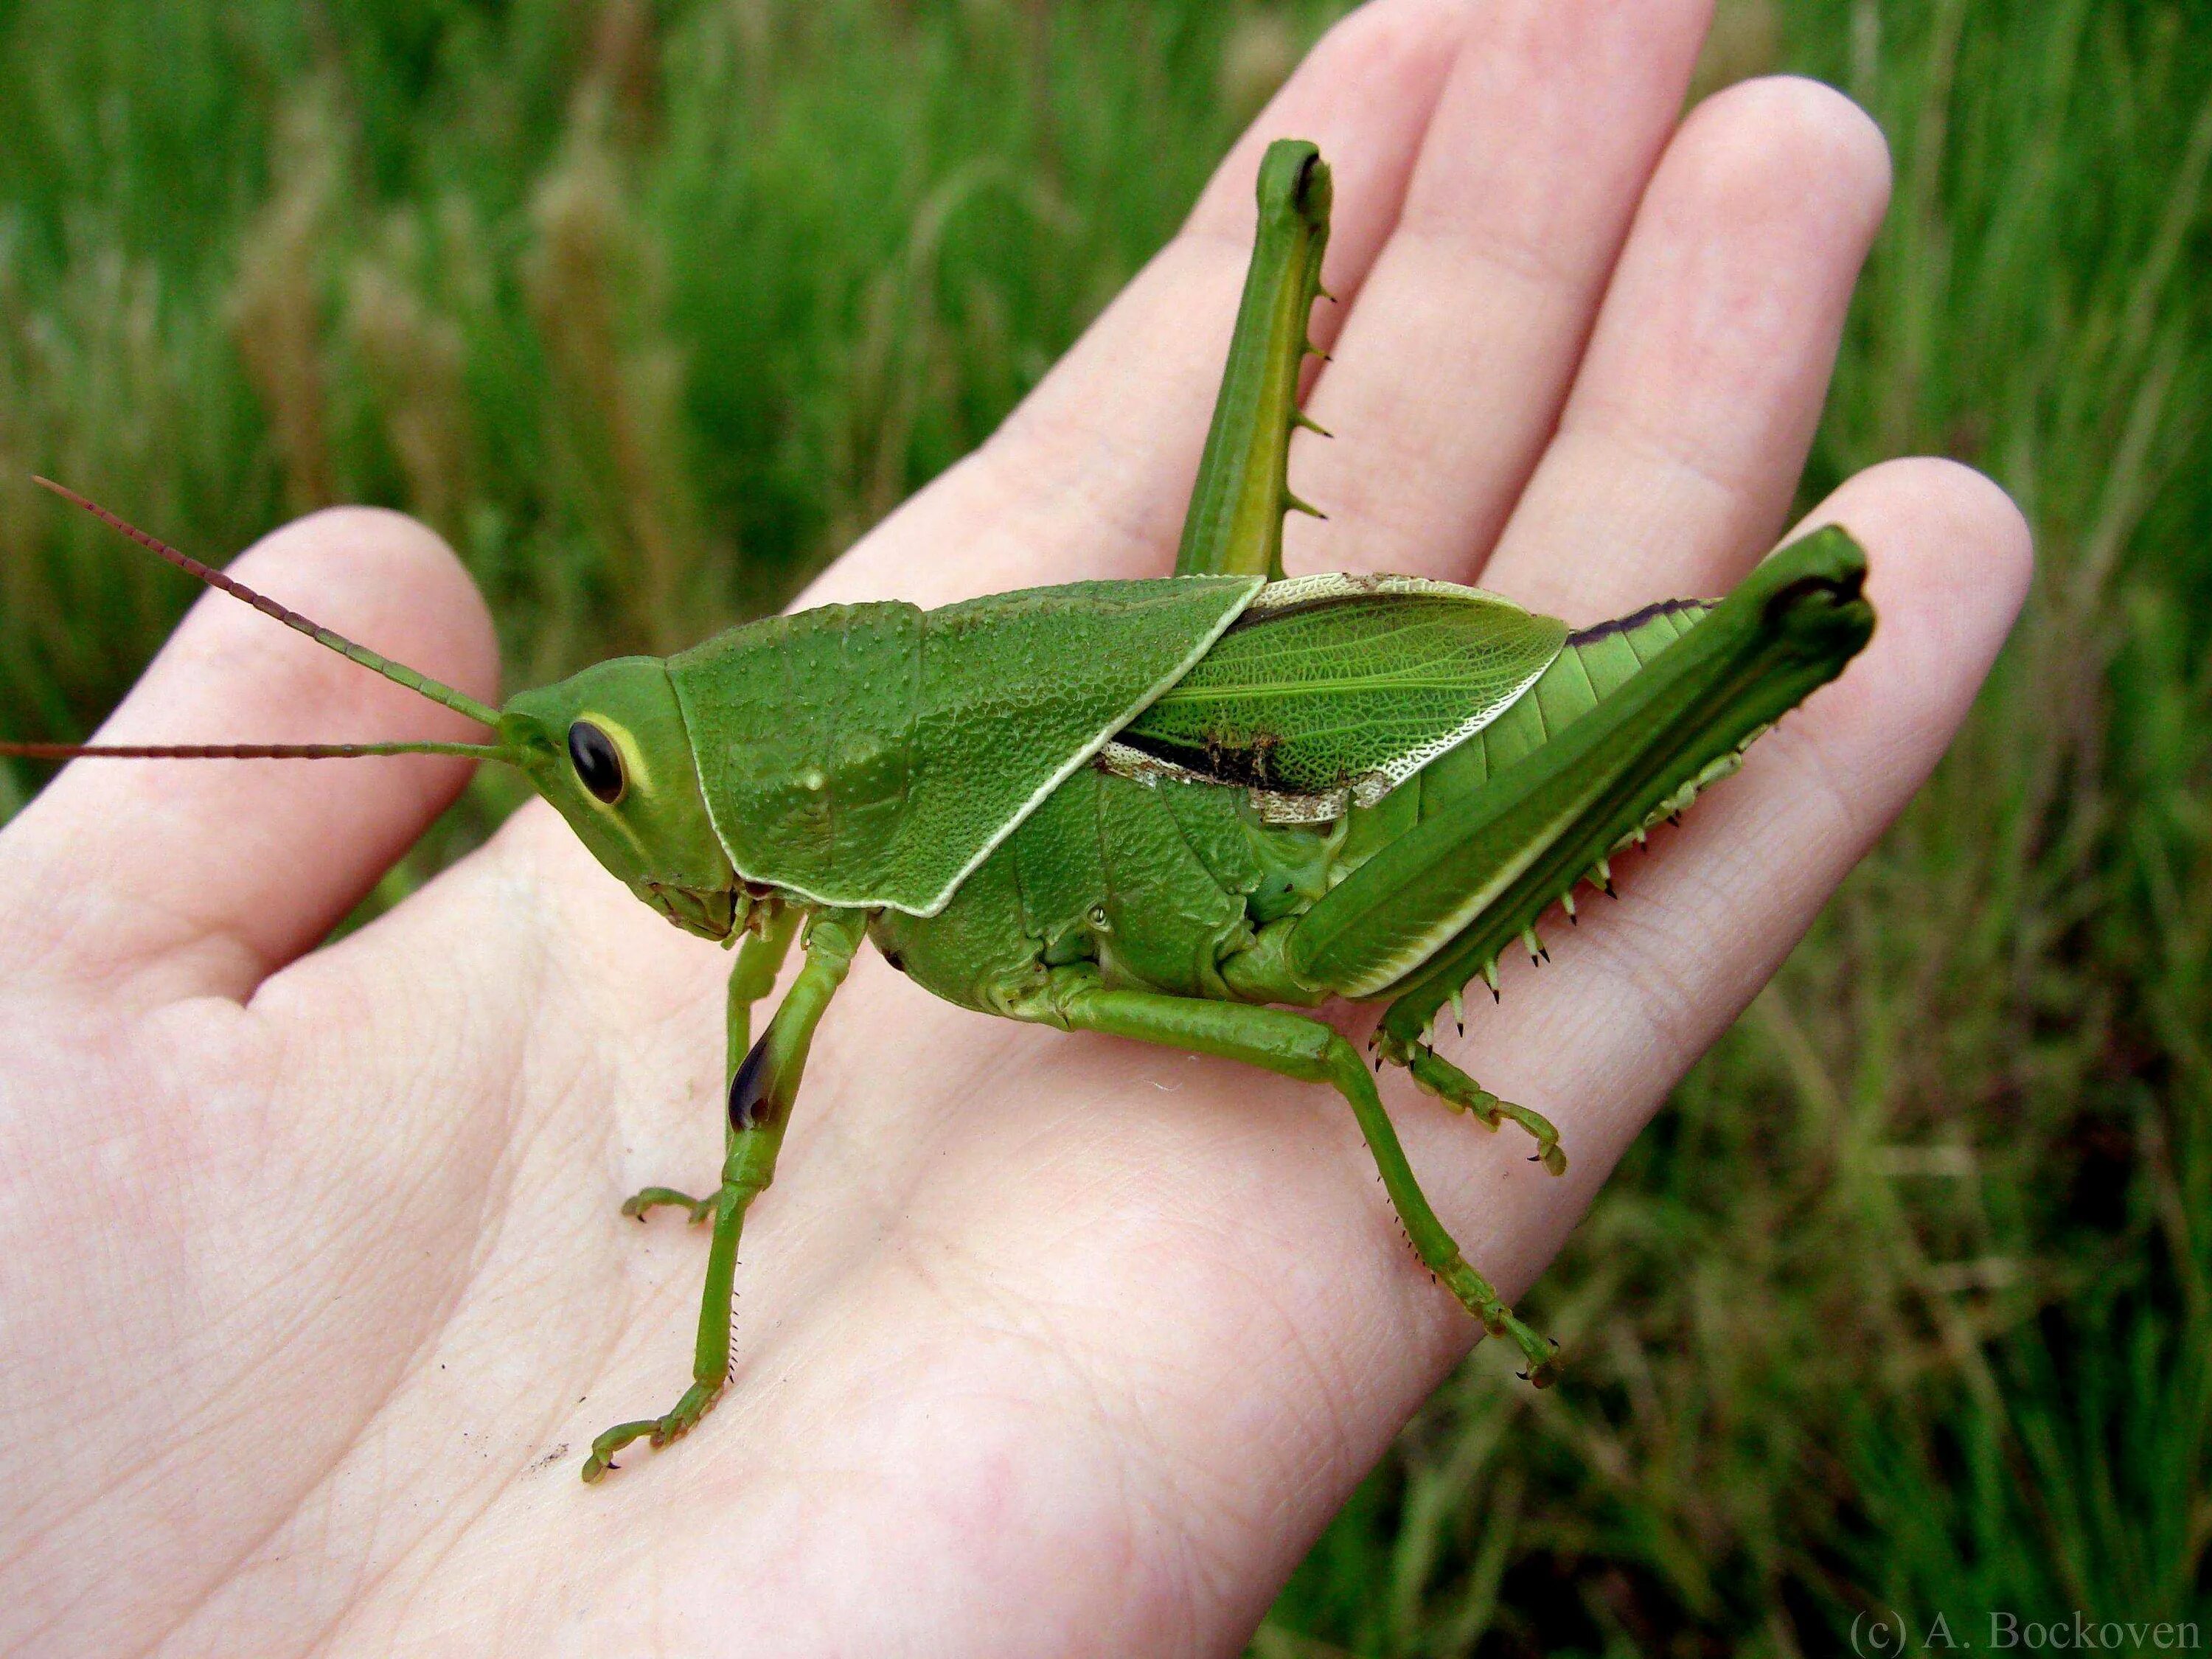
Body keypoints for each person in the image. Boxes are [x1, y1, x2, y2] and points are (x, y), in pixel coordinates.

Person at [0, 2, 2028, 1653]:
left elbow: (1291, 1024)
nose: (619, 824)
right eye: (598, 774)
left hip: (1334, 823)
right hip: (1185, 736)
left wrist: (1447, 1234)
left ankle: (1750, 643)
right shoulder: (819, 882)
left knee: (1320, 978)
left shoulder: (860, 876)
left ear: (751, 768)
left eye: (610, 777)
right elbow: (760, 1082)